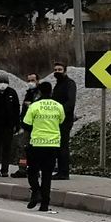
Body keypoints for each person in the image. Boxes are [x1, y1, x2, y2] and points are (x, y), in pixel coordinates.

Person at [22, 81, 65, 212]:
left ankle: (36, 192)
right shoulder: (58, 106)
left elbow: (25, 124)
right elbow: (61, 121)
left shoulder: (35, 106)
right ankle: (45, 204)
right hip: (52, 144)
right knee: (47, 175)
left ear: (39, 92)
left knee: (32, 171)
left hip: (37, 143)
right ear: (51, 91)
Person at [10, 73, 41, 178]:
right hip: (26, 125)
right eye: (29, 81)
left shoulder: (39, 94)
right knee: (22, 147)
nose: (30, 83)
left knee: (34, 149)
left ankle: (34, 170)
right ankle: (22, 169)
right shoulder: (29, 93)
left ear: (38, 81)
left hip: (36, 126)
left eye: (33, 80)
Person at [52, 62, 77, 180]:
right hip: (55, 120)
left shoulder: (69, 84)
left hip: (65, 119)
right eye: (55, 70)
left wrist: (59, 112)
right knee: (58, 146)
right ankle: (60, 170)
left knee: (63, 146)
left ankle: (64, 172)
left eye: (60, 70)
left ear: (65, 71)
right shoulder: (57, 85)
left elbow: (70, 102)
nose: (57, 72)